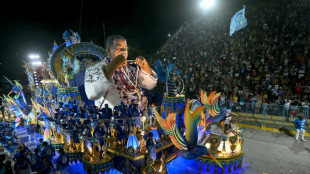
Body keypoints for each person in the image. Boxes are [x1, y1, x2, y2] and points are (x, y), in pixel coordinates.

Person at [84, 35, 158, 111]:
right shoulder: (96, 68)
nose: (123, 51)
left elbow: (150, 85)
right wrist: (115, 63)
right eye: (119, 48)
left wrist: (146, 68)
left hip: (137, 115)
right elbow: (92, 93)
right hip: (113, 118)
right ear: (109, 50)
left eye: (125, 49)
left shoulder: (131, 70)